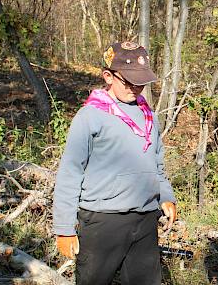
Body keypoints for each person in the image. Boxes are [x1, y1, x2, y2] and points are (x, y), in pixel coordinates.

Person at [52, 41, 177, 285]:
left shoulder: (148, 115)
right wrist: (64, 228)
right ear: (108, 76)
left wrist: (166, 196)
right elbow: (70, 172)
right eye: (128, 81)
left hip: (145, 217)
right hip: (103, 220)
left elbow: (156, 164)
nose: (135, 87)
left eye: (140, 82)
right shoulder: (91, 116)